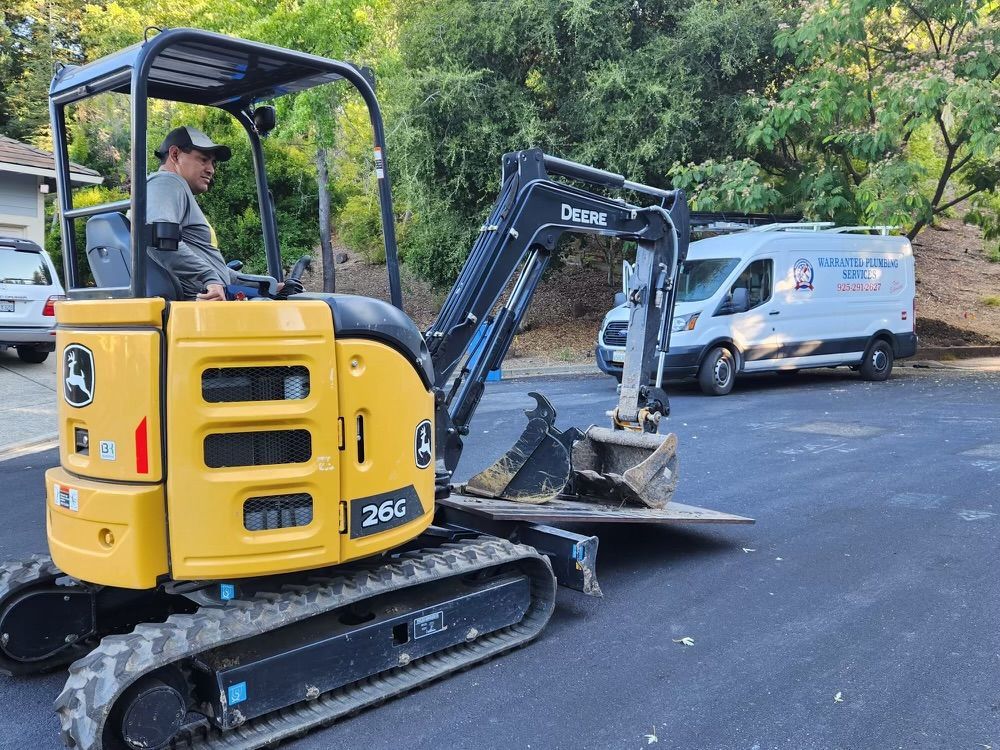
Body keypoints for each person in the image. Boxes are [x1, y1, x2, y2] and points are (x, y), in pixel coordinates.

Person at [146, 126, 240, 301]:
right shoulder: (167, 182)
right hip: (199, 306)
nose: (211, 170)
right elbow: (157, 238)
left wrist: (265, 284)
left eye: (213, 163)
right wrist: (209, 277)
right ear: (175, 155)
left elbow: (207, 261)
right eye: (203, 160)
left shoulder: (170, 192)